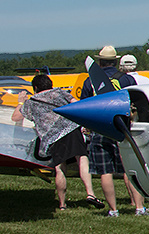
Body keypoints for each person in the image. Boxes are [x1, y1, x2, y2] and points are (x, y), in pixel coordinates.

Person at [11, 74, 100, 210]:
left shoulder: (32, 102)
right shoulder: (60, 92)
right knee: (82, 158)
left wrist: (21, 102)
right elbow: (77, 104)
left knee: (60, 168)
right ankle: (90, 193)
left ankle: (62, 204)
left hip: (52, 137)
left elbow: (15, 117)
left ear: (35, 87)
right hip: (71, 129)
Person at [80, 46, 148, 217]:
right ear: (116, 61)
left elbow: (85, 106)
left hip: (100, 127)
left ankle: (113, 210)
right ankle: (139, 207)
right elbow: (135, 101)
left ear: (100, 62)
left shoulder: (90, 81)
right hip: (123, 127)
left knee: (105, 171)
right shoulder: (126, 79)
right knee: (130, 168)